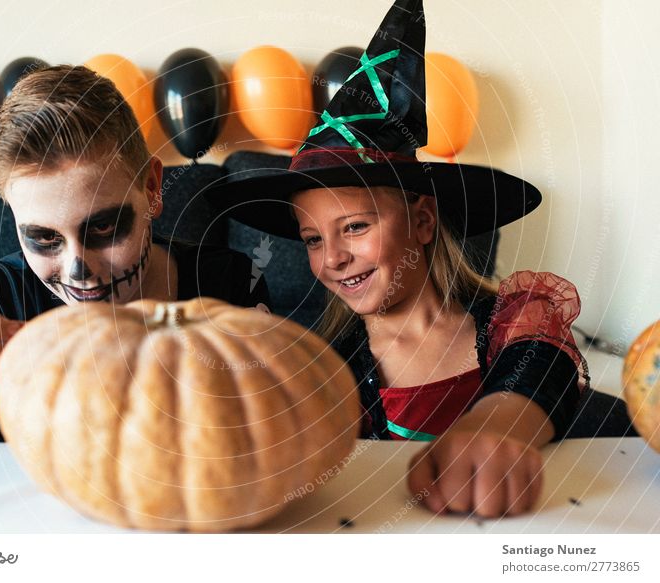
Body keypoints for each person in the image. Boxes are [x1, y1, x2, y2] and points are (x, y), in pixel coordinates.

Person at [204, 0, 588, 518]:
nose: (334, 259)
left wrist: (491, 426)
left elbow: (539, 369)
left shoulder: (513, 320)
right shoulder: (328, 363)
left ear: (424, 221)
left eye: (356, 227)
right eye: (313, 240)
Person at [0, 65, 270, 443]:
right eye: (44, 238)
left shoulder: (231, 288)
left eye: (102, 227)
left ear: (151, 189)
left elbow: (266, 450)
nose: (77, 268)